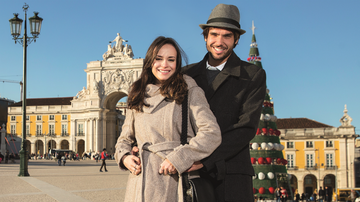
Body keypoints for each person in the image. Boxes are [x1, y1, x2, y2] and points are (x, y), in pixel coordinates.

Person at [115, 36, 221, 202]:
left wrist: (180, 158)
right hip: (139, 183)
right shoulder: (137, 93)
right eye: (159, 59)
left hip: (174, 178)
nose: (164, 65)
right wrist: (125, 157)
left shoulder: (189, 90)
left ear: (177, 64)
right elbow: (124, 139)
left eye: (171, 59)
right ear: (150, 61)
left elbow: (211, 133)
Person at [182, 4, 266, 202]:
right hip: (189, 171)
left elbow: (245, 128)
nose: (219, 41)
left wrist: (203, 158)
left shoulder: (253, 75)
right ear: (205, 37)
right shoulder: (185, 74)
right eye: (214, 35)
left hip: (230, 172)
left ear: (236, 40)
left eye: (227, 36)